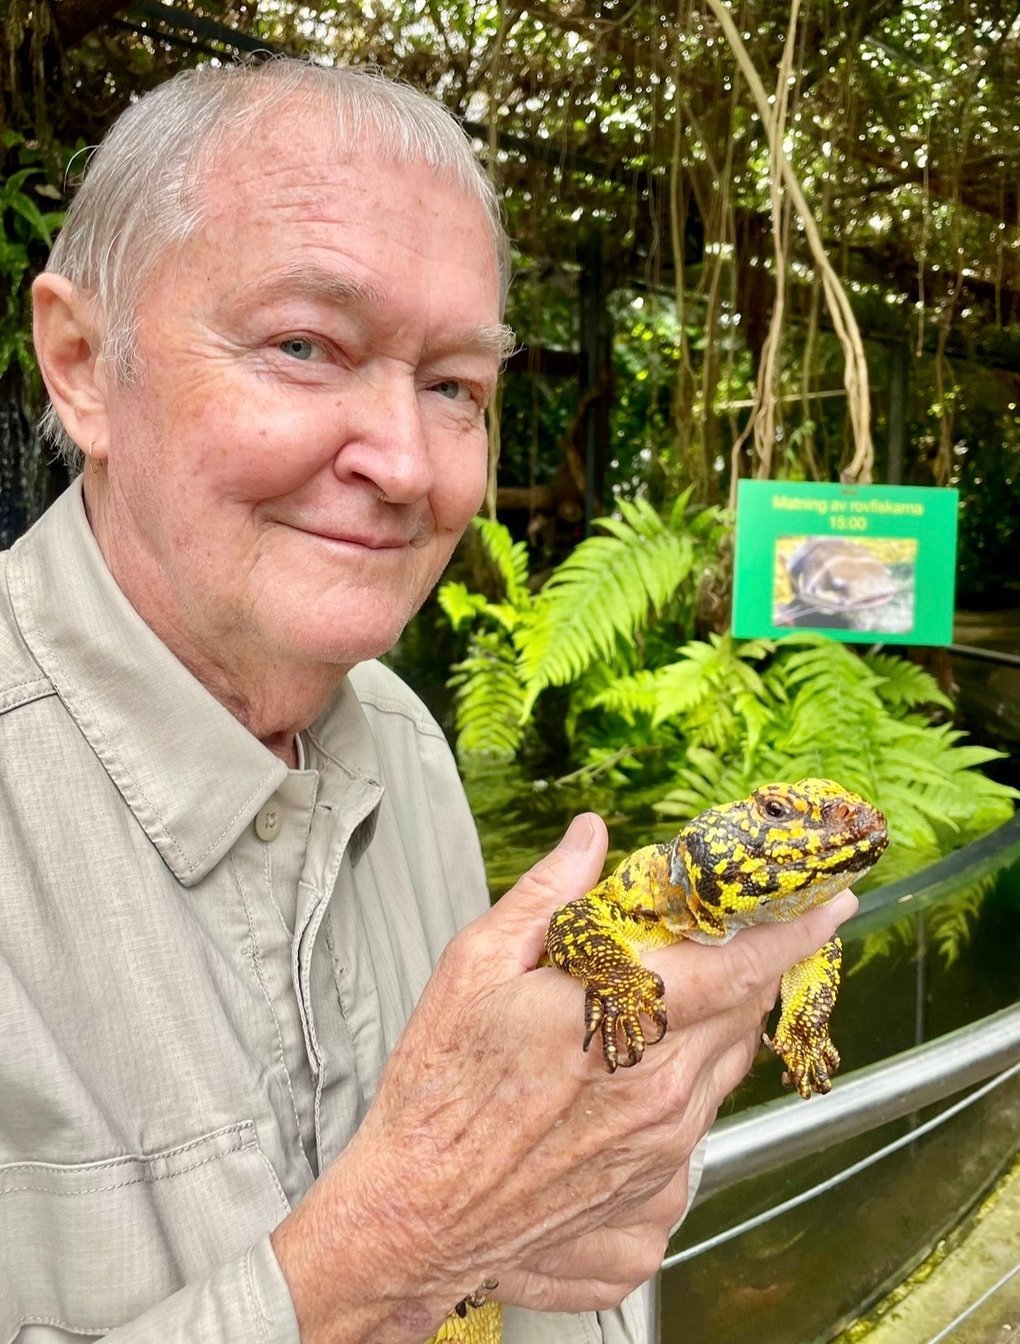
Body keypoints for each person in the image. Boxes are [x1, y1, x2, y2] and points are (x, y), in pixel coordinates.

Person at [1, 58, 856, 1344]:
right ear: (81, 364)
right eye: (304, 346)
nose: (404, 464)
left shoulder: (403, 741)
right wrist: (390, 1251)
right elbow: (440, 1227)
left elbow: (540, 1252)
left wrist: (590, 1196)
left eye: (456, 385)